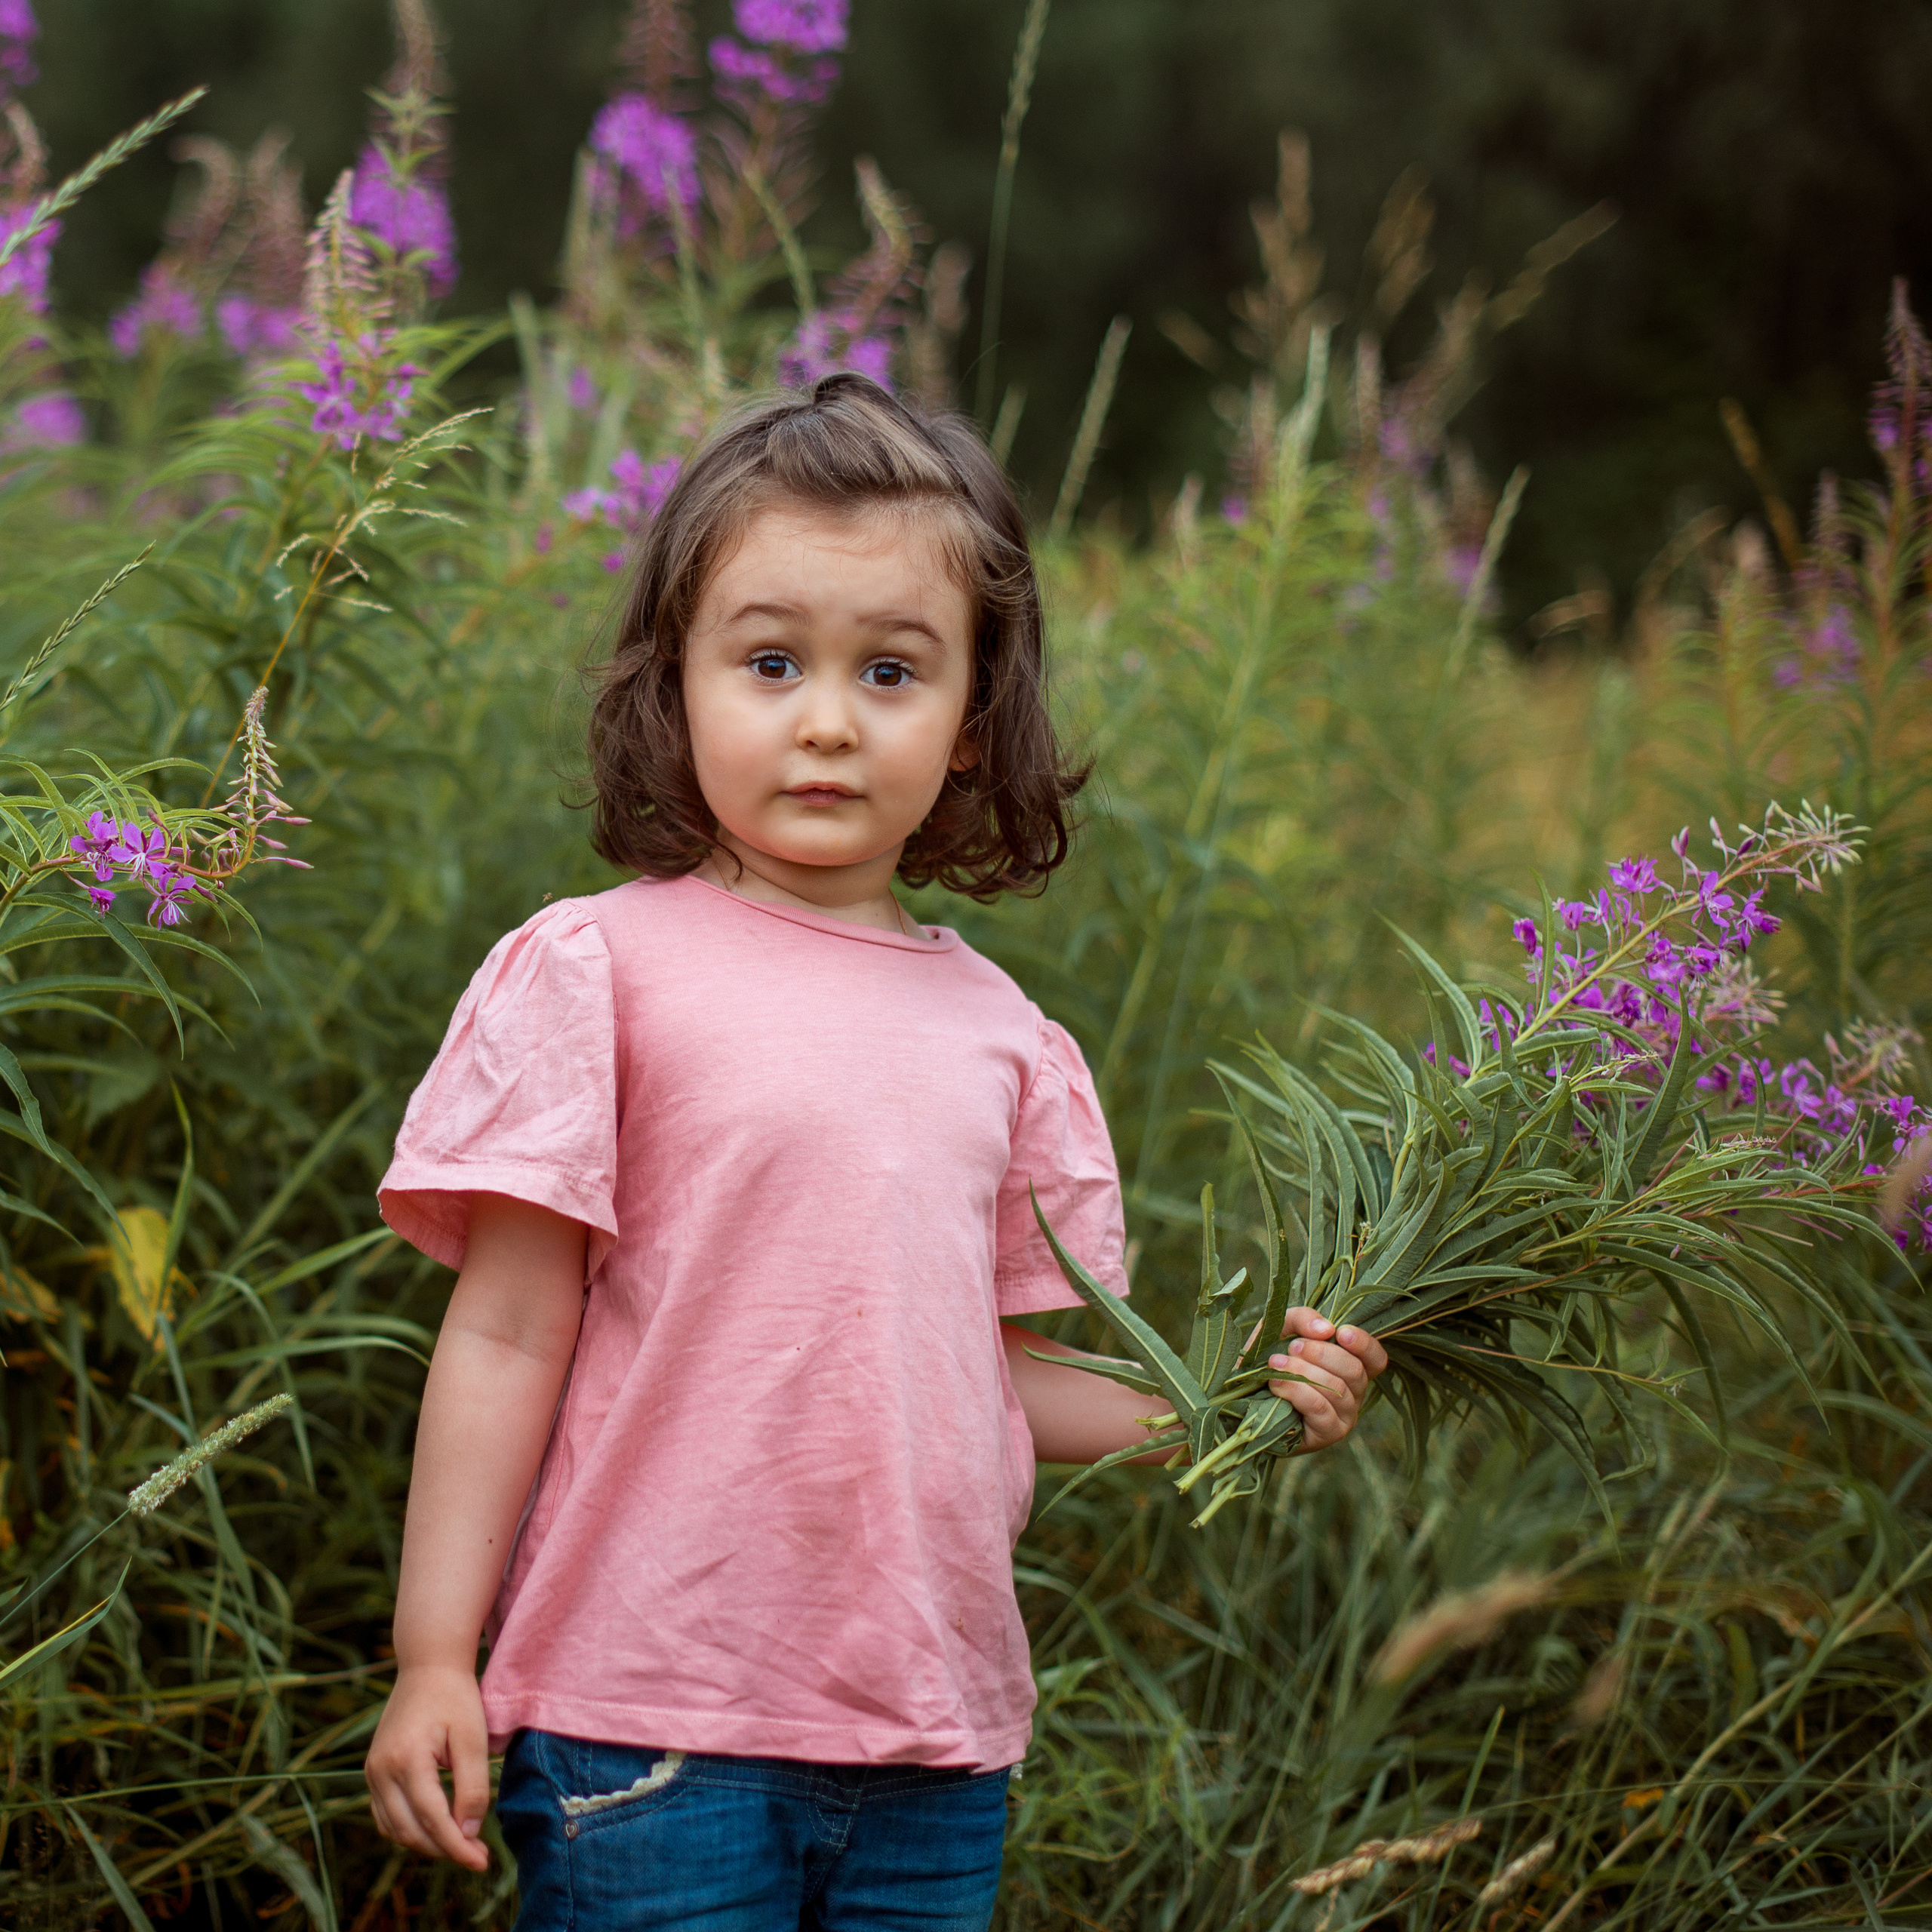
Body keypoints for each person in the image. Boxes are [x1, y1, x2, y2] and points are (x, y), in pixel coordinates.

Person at [361, 373, 1389, 1930]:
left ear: (974, 720)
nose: (827, 718)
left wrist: (1235, 1399)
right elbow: (506, 1327)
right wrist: (434, 1654)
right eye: (768, 660)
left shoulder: (1002, 1040)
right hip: (652, 1727)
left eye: (891, 669)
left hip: (931, 1736)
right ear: (675, 685)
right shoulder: (596, 971)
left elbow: (1003, 1373)